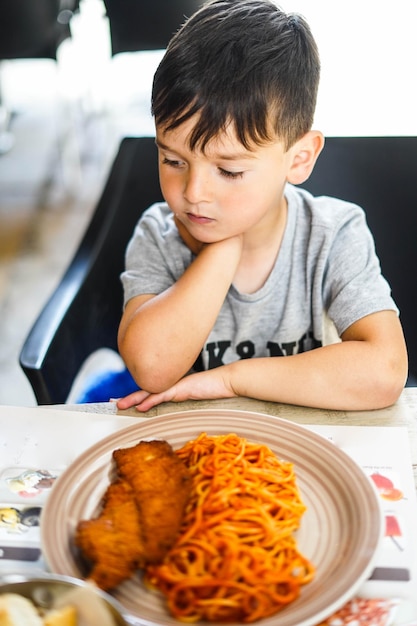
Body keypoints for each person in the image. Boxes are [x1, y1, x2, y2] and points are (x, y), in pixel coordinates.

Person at [116, 0, 407, 413]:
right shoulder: (159, 234)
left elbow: (384, 372)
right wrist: (223, 248)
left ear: (299, 158)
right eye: (173, 160)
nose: (194, 191)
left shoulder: (334, 233)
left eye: (230, 171)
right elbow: (152, 366)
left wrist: (233, 379)